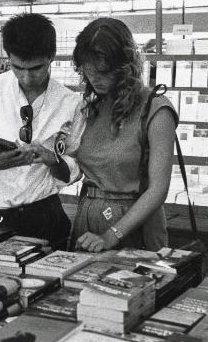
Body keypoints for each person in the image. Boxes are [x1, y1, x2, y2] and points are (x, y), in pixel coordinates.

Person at [0, 13, 85, 249]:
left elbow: (75, 169)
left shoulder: (70, 103)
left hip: (44, 214)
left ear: (52, 56)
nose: (26, 77)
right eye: (17, 68)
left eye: (36, 68)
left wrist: (53, 160)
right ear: (8, 56)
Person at [71, 18, 178, 253]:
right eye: (88, 70)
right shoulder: (91, 108)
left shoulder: (156, 109)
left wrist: (112, 235)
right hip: (88, 221)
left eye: (103, 71)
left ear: (124, 67)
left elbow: (158, 189)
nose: (94, 79)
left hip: (133, 224)